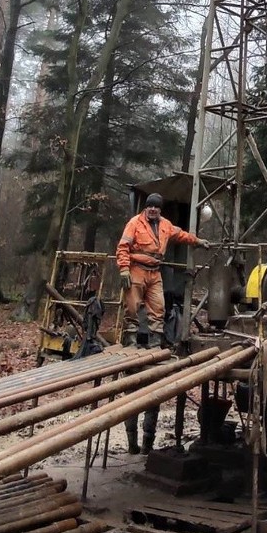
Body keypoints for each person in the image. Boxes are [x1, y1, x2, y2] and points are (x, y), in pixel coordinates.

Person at [117, 192, 208, 454]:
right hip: (136, 268)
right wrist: (124, 269)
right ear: (145, 209)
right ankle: (134, 340)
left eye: (157, 207)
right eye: (150, 207)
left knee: (158, 308)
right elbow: (123, 247)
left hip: (155, 271)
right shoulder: (135, 224)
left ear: (160, 209)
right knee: (134, 308)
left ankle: (155, 341)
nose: (153, 210)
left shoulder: (166, 225)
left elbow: (181, 235)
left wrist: (198, 241)